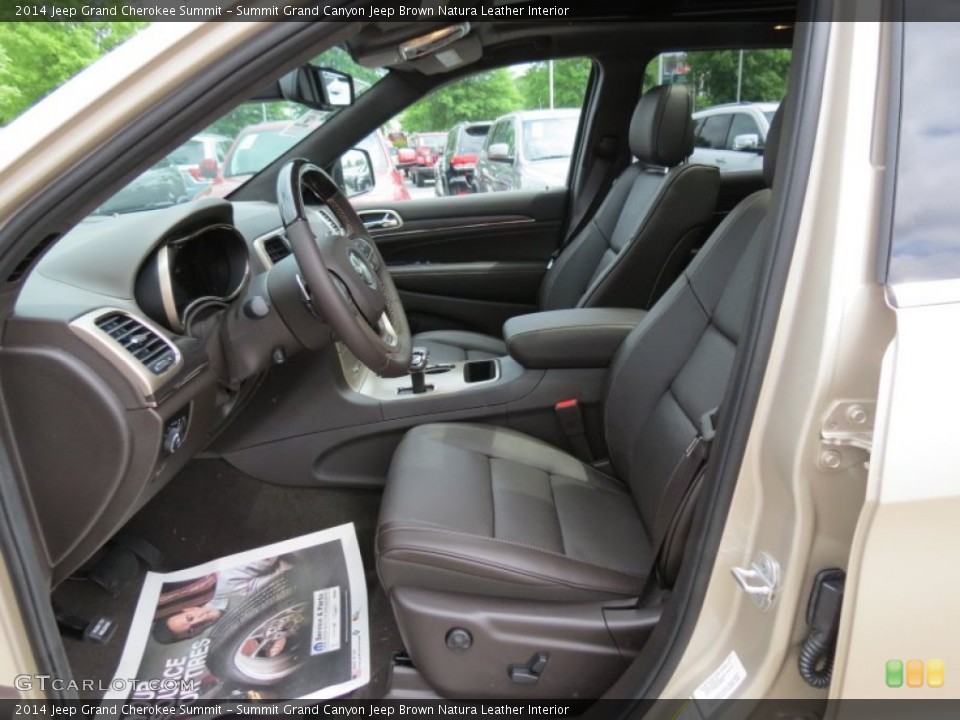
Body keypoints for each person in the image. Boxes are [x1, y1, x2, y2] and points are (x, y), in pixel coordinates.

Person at [152, 556, 291, 644]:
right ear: (193, 636)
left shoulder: (225, 584)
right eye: (191, 630)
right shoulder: (229, 635)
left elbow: (266, 556)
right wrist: (279, 639)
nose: (199, 620)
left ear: (190, 609)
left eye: (190, 618)